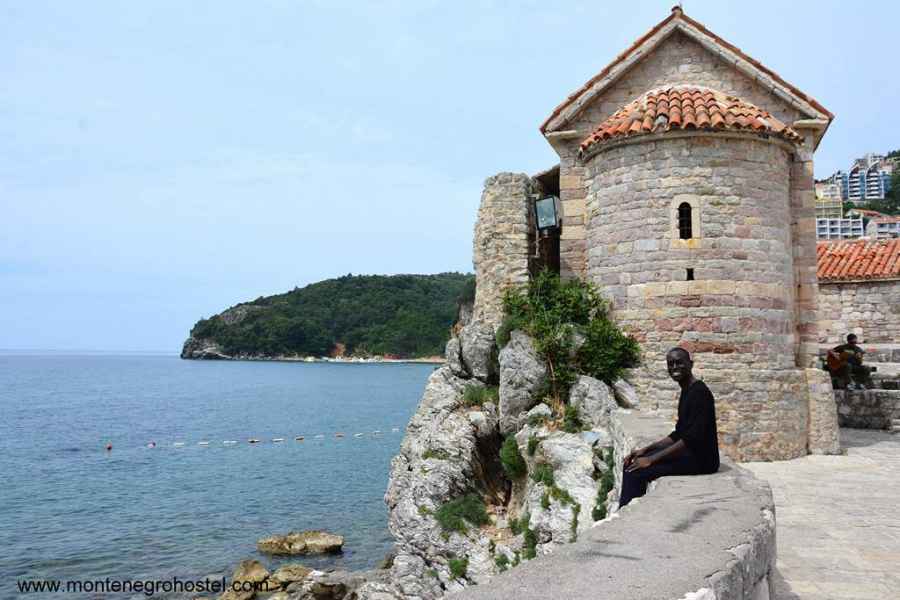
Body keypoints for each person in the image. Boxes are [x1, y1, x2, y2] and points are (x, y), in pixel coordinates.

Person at [619, 347, 720, 507]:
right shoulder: (687, 390)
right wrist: (646, 450)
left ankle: (625, 514)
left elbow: (690, 439)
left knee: (635, 471)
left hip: (702, 461)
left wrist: (651, 459)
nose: (674, 367)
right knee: (633, 461)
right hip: (690, 453)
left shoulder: (700, 393)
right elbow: (678, 434)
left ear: (690, 364)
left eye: (679, 363)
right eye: (670, 364)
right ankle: (627, 508)